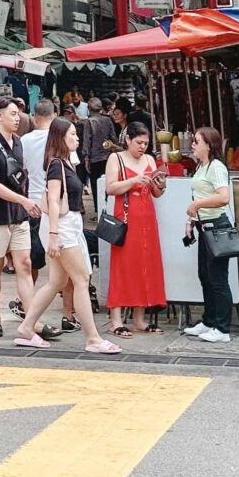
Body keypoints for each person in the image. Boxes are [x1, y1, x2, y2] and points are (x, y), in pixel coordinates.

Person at [16, 118, 119, 357]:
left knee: (57, 282)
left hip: (66, 225)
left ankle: (26, 327)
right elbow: (53, 200)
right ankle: (92, 338)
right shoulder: (56, 165)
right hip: (61, 227)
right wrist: (53, 235)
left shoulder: (64, 163)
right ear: (61, 137)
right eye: (73, 134)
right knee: (81, 279)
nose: (77, 138)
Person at [0, 97, 47, 340]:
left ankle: (31, 320)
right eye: (13, 114)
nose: (18, 118)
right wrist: (24, 201)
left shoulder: (18, 142)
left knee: (25, 265)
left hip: (18, 216)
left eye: (19, 114)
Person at [104, 117, 166, 336]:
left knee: (145, 265)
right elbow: (110, 188)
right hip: (126, 218)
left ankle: (140, 318)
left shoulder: (149, 160)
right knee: (122, 266)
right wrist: (133, 181)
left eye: (145, 143)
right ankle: (117, 320)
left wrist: (160, 185)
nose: (142, 147)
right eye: (138, 142)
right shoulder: (116, 158)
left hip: (147, 217)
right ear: (128, 139)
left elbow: (157, 193)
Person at [20, 97, 77, 329]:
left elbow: (22, 170)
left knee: (33, 263)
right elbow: (71, 174)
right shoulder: (62, 142)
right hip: (59, 212)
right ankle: (68, 314)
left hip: (34, 204)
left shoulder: (24, 140)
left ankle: (27, 307)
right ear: (54, 117)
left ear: (34, 118)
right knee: (72, 273)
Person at [183, 126, 235, 344]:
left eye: (196, 141)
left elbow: (224, 197)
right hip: (203, 226)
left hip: (217, 226)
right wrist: (191, 220)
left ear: (208, 145)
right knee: (205, 275)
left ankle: (222, 328)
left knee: (218, 279)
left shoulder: (216, 167)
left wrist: (197, 204)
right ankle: (209, 320)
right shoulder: (201, 167)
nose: (193, 144)